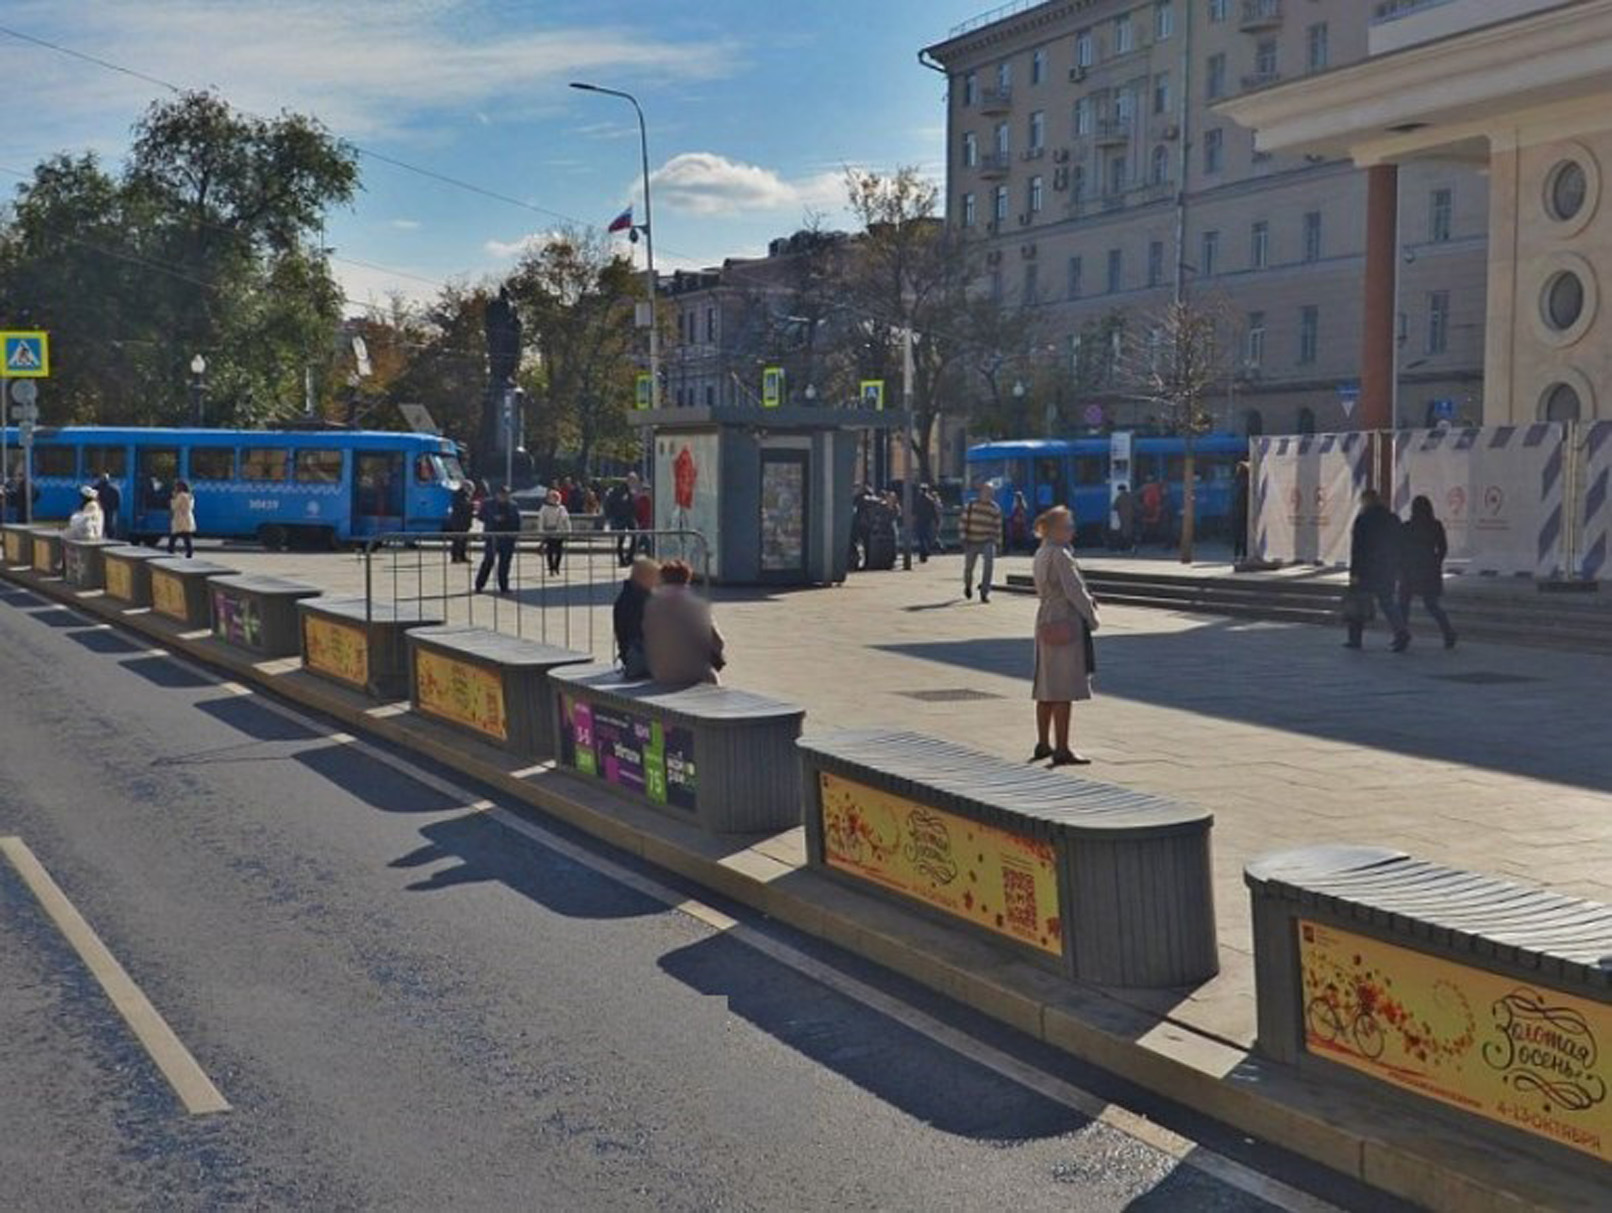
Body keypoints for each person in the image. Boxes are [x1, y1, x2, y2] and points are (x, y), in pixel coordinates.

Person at [1031, 506, 1099, 768]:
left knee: (1046, 684)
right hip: (1064, 619)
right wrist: (1091, 617)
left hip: (1045, 617)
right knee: (1063, 687)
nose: (1072, 530)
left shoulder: (1041, 552)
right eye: (1068, 526)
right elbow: (1075, 591)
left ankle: (1042, 742)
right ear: (1055, 529)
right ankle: (1062, 748)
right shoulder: (1060, 555)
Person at [1346, 488, 1411, 652]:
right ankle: (1401, 631)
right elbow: (1400, 544)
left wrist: (1354, 573)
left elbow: (1357, 549)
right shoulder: (1392, 518)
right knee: (1387, 601)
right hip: (1387, 567)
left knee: (1358, 603)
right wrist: (1398, 565)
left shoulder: (1363, 520)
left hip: (1366, 568)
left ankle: (1355, 638)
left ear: (1365, 501)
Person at [644, 559, 726, 685]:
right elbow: (718, 642)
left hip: (661, 674)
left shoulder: (652, 606)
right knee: (713, 679)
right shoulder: (697, 607)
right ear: (687, 579)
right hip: (694, 673)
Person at [1398, 494, 1457, 649]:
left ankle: (1402, 634)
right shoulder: (1435, 526)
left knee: (1404, 604)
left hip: (1410, 569)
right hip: (1429, 570)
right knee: (1431, 604)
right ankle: (1448, 632)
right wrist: (1436, 562)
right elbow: (1442, 548)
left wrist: (1401, 567)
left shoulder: (1407, 527)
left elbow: (1400, 550)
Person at [613, 555, 659, 679]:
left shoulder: (628, 595)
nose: (657, 582)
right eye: (655, 577)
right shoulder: (640, 600)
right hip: (640, 657)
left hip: (632, 655)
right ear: (645, 577)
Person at [959, 481, 1002, 602]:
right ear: (981, 492)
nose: (989, 495)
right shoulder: (971, 505)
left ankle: (984, 592)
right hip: (972, 540)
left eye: (991, 493)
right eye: (987, 492)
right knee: (969, 568)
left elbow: (998, 527)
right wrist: (963, 537)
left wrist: (999, 543)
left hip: (987, 540)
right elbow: (963, 522)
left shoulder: (995, 508)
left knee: (989, 565)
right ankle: (968, 586)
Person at [475, 485, 522, 594]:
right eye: (502, 495)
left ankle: (504, 586)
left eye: (506, 495)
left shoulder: (513, 505)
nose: (504, 497)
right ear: (497, 495)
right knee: (488, 561)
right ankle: (479, 585)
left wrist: (515, 535)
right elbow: (480, 516)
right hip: (492, 537)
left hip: (507, 538)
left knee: (505, 564)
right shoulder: (488, 504)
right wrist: (493, 518)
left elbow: (517, 521)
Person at [535, 488, 571, 575]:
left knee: (559, 552)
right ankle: (551, 568)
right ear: (549, 498)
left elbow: (567, 520)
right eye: (553, 497)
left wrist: (569, 532)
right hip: (549, 533)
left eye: (557, 497)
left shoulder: (562, 508)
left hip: (560, 533)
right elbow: (541, 521)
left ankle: (557, 567)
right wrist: (541, 533)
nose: (555, 499)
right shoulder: (544, 508)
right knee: (550, 552)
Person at [607, 474, 639, 566]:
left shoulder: (631, 491)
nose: (635, 484)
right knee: (621, 539)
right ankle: (623, 559)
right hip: (621, 517)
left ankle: (629, 557)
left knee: (634, 537)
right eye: (633, 481)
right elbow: (619, 503)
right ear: (629, 481)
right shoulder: (621, 490)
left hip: (629, 517)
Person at [446, 483, 474, 564]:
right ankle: (455, 557)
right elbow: (461, 506)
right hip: (459, 521)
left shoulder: (466, 495)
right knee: (457, 540)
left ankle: (462, 556)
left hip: (465, 521)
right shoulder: (458, 495)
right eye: (470, 488)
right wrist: (471, 505)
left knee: (464, 540)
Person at [167, 480, 196, 557]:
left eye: (176, 486)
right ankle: (189, 553)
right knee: (186, 537)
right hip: (188, 518)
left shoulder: (181, 496)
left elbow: (174, 506)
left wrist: (173, 498)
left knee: (174, 536)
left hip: (180, 518)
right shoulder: (190, 496)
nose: (175, 488)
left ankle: (170, 551)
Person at [1230, 461, 1251, 562]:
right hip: (1244, 510)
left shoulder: (1237, 482)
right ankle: (1244, 554)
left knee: (1238, 534)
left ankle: (1237, 554)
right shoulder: (1247, 482)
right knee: (1245, 534)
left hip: (1238, 510)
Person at [914, 484, 939, 562]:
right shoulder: (930, 500)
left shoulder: (918, 499)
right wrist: (936, 520)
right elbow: (934, 511)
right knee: (926, 536)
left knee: (921, 537)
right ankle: (926, 551)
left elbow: (914, 510)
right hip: (928, 520)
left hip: (920, 520)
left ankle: (923, 552)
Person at [94, 473, 121, 541]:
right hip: (111, 510)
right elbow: (118, 500)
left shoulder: (97, 488)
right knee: (110, 526)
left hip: (101, 509)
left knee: (102, 526)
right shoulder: (115, 488)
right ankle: (111, 539)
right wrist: (115, 508)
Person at [1110, 484, 1136, 553]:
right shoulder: (1131, 496)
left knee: (1123, 533)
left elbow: (1114, 507)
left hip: (1123, 517)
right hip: (1130, 517)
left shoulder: (1119, 498)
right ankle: (1132, 547)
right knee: (1129, 532)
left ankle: (1123, 548)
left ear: (1120, 490)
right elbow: (1135, 505)